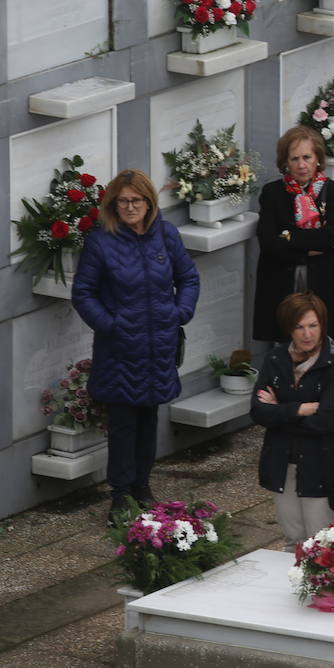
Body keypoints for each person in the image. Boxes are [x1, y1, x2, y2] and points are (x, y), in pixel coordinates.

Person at [72, 169, 200, 522]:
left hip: (159, 345)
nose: (130, 207)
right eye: (123, 201)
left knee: (149, 418)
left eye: (137, 200)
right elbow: (83, 293)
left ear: (149, 202)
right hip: (120, 349)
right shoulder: (101, 241)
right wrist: (111, 325)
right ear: (113, 204)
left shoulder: (165, 234)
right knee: (123, 422)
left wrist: (180, 312)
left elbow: (188, 277)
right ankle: (120, 495)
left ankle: (143, 488)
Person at [249, 293, 334, 544]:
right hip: (282, 462)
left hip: (321, 463)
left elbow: (328, 420)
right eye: (299, 327)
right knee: (293, 537)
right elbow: (258, 411)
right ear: (289, 329)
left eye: (313, 326)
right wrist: (299, 410)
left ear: (322, 325)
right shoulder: (275, 359)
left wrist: (280, 411)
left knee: (322, 542)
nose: (307, 334)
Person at [252, 126, 334, 343]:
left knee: (324, 344)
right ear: (285, 162)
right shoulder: (272, 193)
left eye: (307, 157)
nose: (301, 165)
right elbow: (268, 243)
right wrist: (307, 250)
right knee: (285, 346)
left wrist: (290, 237)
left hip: (324, 282)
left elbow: (332, 236)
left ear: (318, 159)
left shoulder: (333, 191)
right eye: (294, 158)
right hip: (282, 281)